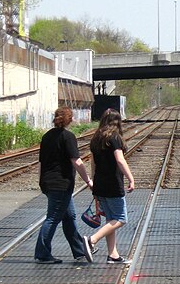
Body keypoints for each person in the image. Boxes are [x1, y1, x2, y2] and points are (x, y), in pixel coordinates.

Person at [35, 106, 94, 264]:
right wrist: (88, 180)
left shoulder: (47, 136)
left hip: (49, 182)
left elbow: (41, 162)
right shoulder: (68, 137)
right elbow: (76, 161)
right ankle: (42, 253)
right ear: (70, 119)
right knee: (53, 218)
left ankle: (79, 251)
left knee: (69, 217)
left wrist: (41, 181)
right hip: (60, 184)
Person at [83, 108, 135, 264]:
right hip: (113, 184)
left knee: (111, 219)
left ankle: (113, 255)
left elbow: (93, 163)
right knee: (121, 219)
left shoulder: (95, 138)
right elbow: (120, 160)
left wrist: (93, 183)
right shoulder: (114, 138)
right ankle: (92, 240)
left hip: (99, 183)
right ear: (117, 122)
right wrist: (131, 178)